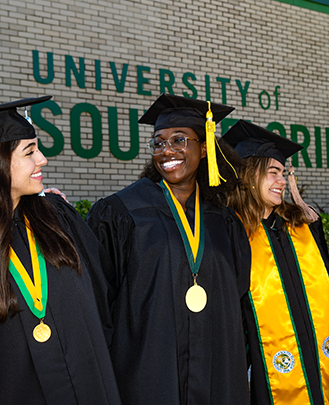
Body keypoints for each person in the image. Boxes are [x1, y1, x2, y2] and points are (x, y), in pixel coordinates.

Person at [0, 97, 121, 405]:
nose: (42, 159)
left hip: (89, 387)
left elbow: (103, 297)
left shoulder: (59, 218)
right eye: (30, 151)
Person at [85, 93, 251, 404]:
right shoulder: (121, 212)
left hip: (217, 369)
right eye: (158, 143)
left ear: (204, 149)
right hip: (148, 371)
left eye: (179, 140)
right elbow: (98, 297)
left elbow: (238, 292)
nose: (167, 151)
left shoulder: (223, 220)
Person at [221, 119, 329, 405]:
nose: (283, 181)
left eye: (284, 173)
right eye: (274, 172)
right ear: (249, 174)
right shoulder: (230, 232)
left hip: (322, 363)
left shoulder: (301, 227)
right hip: (266, 372)